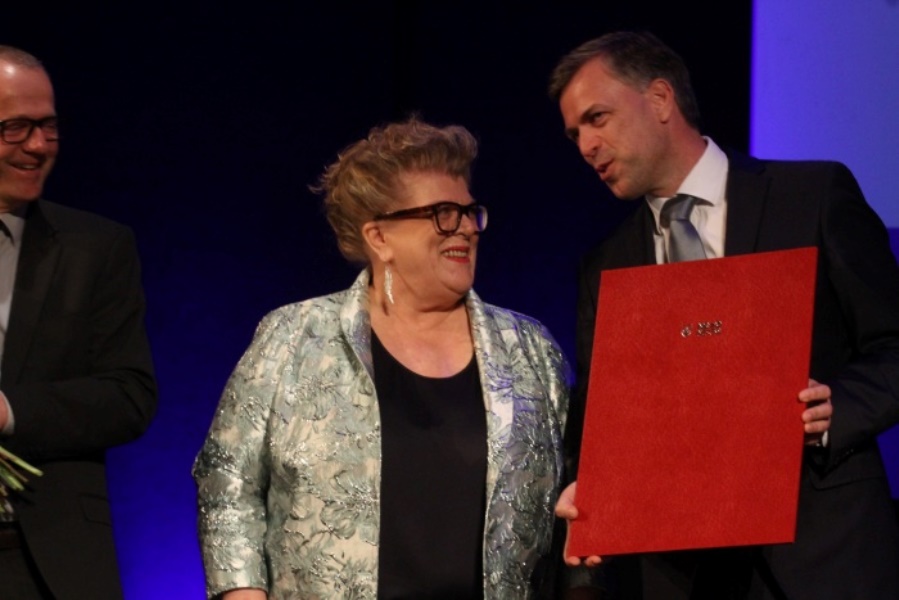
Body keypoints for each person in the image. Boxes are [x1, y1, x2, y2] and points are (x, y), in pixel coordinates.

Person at [547, 31, 899, 599]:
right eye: (575, 134)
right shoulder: (606, 265)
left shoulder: (810, 196)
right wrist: (592, 489)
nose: (586, 145)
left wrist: (839, 410)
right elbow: (604, 419)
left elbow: (893, 344)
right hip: (682, 574)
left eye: (597, 118)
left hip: (825, 556)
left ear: (660, 99)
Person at [193, 117, 570, 599]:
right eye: (442, 213)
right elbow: (228, 480)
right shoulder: (294, 335)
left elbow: (580, 494)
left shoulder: (530, 349)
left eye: (468, 211)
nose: (464, 228)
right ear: (379, 237)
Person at [0, 46, 158, 599]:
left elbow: (129, 396)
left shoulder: (96, 248)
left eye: (48, 126)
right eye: (16, 128)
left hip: (39, 560)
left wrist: (9, 411)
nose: (39, 145)